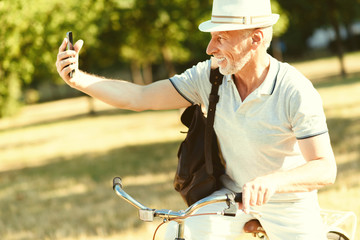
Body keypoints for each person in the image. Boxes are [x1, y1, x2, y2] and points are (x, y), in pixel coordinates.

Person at [56, 0, 337, 239]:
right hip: (230, 196)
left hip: (288, 202)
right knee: (177, 234)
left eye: (221, 38)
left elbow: (324, 168)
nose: (209, 48)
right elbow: (139, 97)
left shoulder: (294, 90)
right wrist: (78, 79)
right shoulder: (211, 77)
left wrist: (273, 182)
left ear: (255, 39)